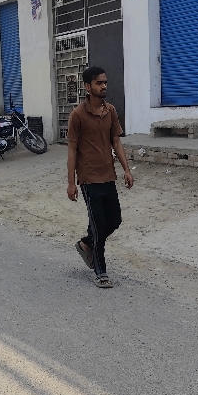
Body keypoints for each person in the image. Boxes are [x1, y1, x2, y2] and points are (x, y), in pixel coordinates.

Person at [67, 66, 133, 289]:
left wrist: (126, 169)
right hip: (88, 179)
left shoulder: (110, 111)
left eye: (105, 82)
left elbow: (116, 142)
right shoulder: (77, 115)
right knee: (98, 225)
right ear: (88, 86)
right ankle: (100, 271)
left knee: (114, 220)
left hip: (108, 175)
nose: (104, 86)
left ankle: (86, 244)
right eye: (99, 83)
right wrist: (71, 183)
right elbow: (72, 151)